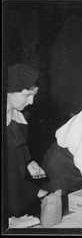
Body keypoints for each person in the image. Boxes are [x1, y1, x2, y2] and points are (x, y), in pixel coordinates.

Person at [6, 64, 50, 218]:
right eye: (27, 95)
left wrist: (28, 162)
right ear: (8, 90)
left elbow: (15, 148)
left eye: (34, 95)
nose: (31, 102)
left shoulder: (20, 117)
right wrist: (36, 191)